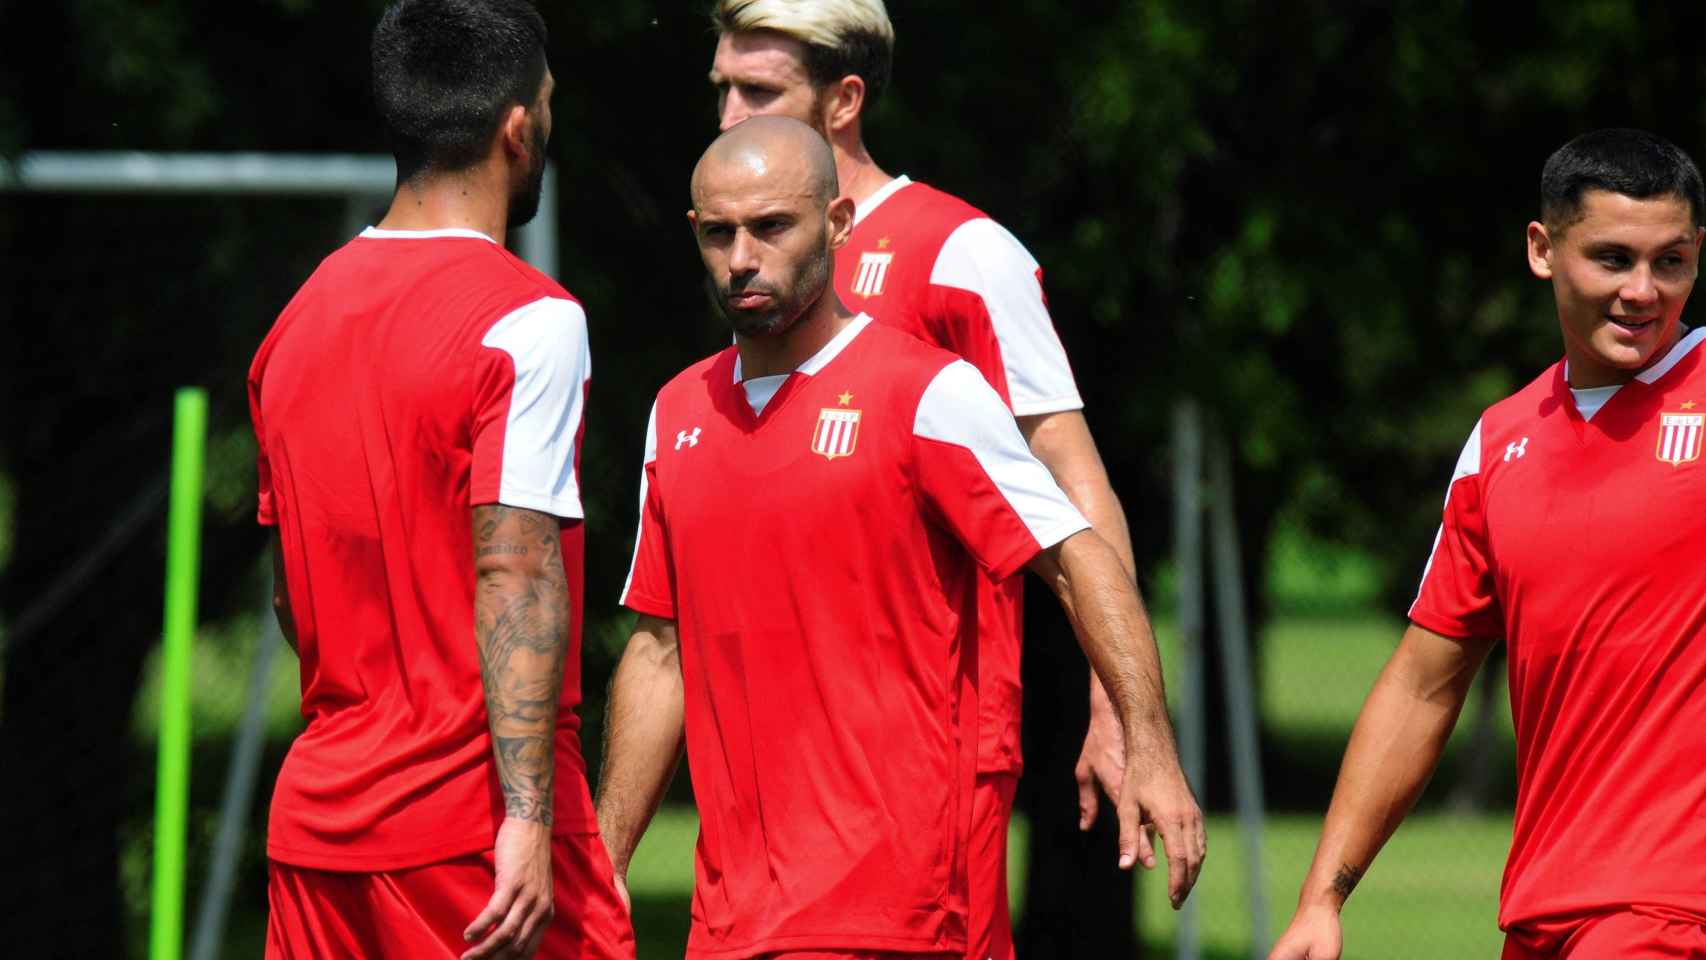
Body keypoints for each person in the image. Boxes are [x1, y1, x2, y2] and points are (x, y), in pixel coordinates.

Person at [594, 115, 1203, 960]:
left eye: (773, 227)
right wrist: (606, 861)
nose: (743, 258)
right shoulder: (678, 413)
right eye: (722, 233)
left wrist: (1150, 744)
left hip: (899, 914)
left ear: (838, 225)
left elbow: (1077, 560)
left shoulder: (927, 393)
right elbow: (660, 649)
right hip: (728, 924)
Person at [701, 3, 1151, 951]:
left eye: (760, 90)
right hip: (770, 765)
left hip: (929, 756)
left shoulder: (962, 253)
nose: (732, 115)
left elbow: (1073, 479)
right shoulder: (754, 246)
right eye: (723, 90)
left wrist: (1120, 711)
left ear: (844, 101)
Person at [246, 1, 633, 956]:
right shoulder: (530, 320)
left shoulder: (292, 326)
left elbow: (294, 600)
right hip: (469, 835)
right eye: (546, 106)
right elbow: (519, 571)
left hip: (319, 831)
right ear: (516, 127)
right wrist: (530, 820)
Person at [1270, 128, 1706, 960]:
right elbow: (1422, 688)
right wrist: (1321, 899)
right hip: (1543, 913)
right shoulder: (1500, 443)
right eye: (1613, 259)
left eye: (1672, 262)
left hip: (1673, 909)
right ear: (1543, 249)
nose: (1644, 291)